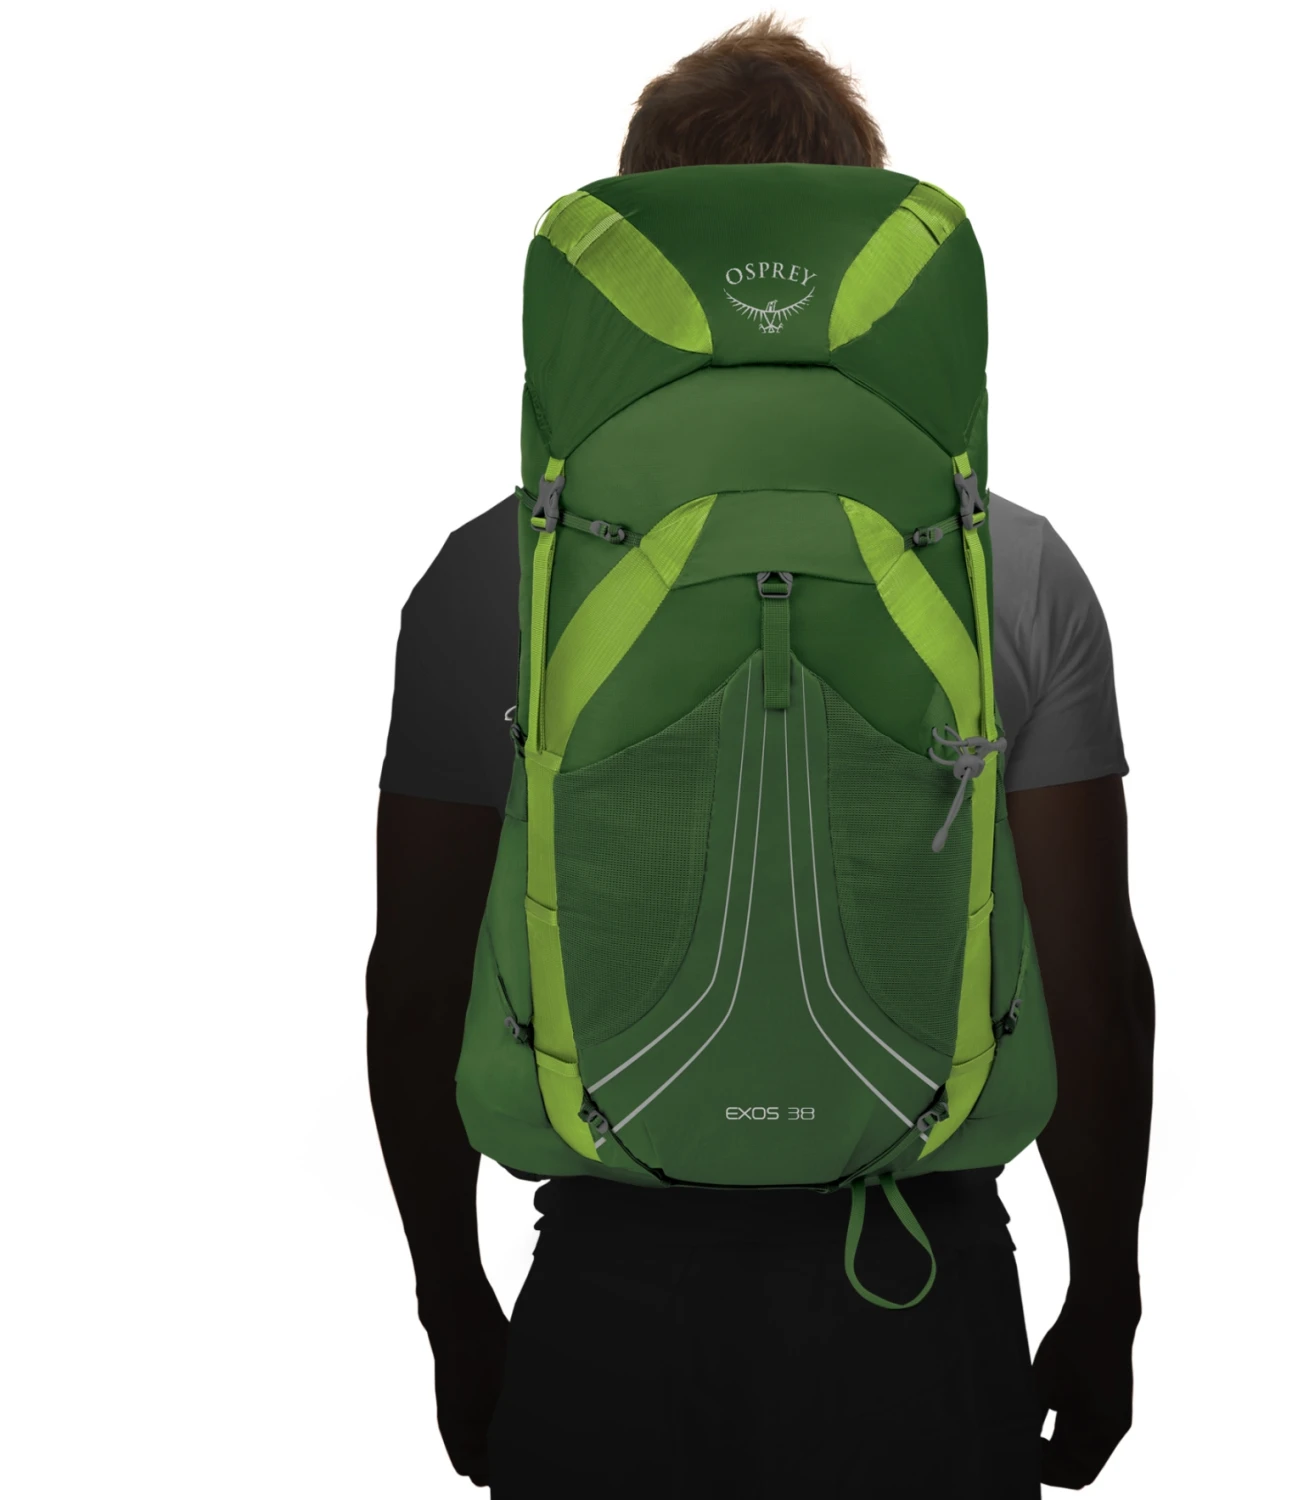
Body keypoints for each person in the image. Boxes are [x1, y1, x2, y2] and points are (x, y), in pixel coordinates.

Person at [367, 16, 1153, 1496]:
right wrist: (1106, 1296)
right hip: (920, 1278)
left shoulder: (495, 574)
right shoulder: (1013, 565)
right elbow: (1088, 970)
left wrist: (454, 1312)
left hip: (610, 1283)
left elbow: (415, 981)